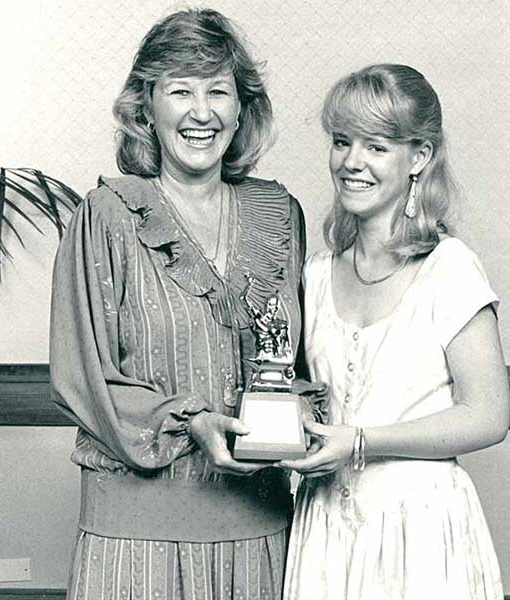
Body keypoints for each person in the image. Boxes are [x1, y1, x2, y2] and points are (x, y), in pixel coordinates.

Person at [49, 9, 318, 600]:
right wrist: (192, 422)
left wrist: (306, 420)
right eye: (180, 91)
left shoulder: (282, 217)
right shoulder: (106, 217)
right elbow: (83, 377)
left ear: (242, 107)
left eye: (218, 90)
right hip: (136, 539)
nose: (202, 112)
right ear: (145, 107)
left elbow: (300, 365)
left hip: (261, 533)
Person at [280, 64, 510, 599]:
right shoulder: (314, 275)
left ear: (420, 158)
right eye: (342, 142)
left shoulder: (449, 267)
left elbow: (489, 416)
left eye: (376, 147)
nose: (351, 162)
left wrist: (359, 443)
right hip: (325, 530)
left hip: (423, 534)